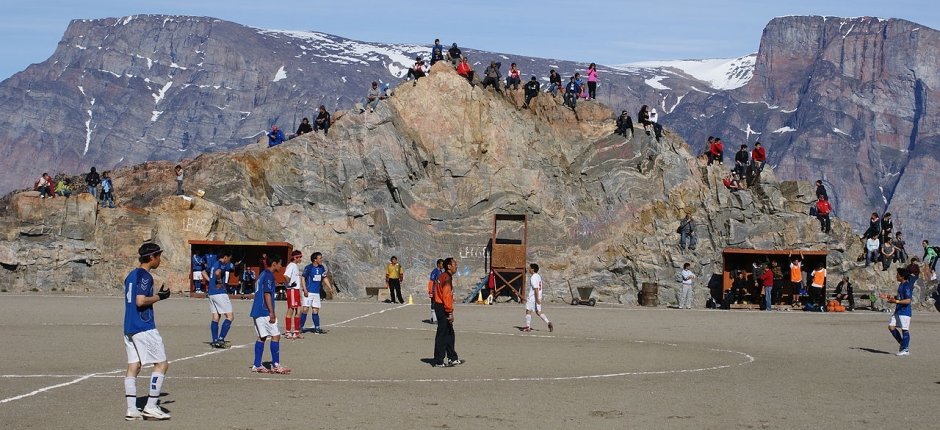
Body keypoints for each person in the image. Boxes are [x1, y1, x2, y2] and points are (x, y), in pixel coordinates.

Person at [122, 243, 172, 420]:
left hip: (129, 326)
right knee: (161, 364)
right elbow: (140, 301)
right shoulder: (145, 276)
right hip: (143, 326)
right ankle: (151, 406)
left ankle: (131, 409)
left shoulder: (131, 275)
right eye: (159, 256)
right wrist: (160, 297)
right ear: (152, 257)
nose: (160, 260)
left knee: (134, 366)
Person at [250, 254, 290, 373]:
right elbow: (266, 294)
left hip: (257, 310)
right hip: (264, 311)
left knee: (262, 337)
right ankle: (275, 365)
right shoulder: (268, 275)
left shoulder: (262, 274)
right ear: (274, 264)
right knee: (276, 335)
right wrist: (271, 311)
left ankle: (257, 365)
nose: (281, 266)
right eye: (280, 263)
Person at [432, 257, 461, 367]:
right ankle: (438, 360)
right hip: (442, 307)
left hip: (440, 305)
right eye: (454, 264)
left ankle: (452, 357)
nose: (456, 266)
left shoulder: (443, 276)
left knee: (449, 332)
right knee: (442, 333)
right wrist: (449, 312)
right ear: (449, 266)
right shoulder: (446, 278)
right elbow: (446, 296)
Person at [881, 267, 913, 356]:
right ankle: (903, 344)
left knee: (904, 330)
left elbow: (908, 300)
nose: (896, 276)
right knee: (891, 327)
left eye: (898, 275)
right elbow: (899, 297)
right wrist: (888, 296)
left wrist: (896, 301)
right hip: (898, 310)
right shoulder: (901, 285)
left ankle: (906, 349)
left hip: (905, 312)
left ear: (902, 276)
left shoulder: (907, 286)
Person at [300, 252, 334, 334]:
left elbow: (324, 278)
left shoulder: (322, 267)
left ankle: (317, 327)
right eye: (320, 258)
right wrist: (304, 289)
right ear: (315, 260)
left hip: (316, 293)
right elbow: (303, 278)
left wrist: (330, 287)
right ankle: (300, 327)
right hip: (308, 292)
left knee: (315, 310)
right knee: (305, 309)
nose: (321, 259)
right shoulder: (309, 268)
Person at [207, 248, 234, 348]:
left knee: (216, 317)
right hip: (219, 293)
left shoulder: (214, 264)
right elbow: (217, 273)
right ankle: (221, 339)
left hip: (211, 293)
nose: (229, 261)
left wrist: (211, 282)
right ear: (225, 257)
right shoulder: (221, 264)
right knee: (230, 316)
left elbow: (203, 272)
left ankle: (215, 340)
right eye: (229, 259)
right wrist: (219, 282)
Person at [522, 263, 553, 332]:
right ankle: (548, 322)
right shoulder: (538, 276)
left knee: (528, 310)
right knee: (538, 311)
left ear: (532, 269)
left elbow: (535, 288)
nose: (529, 269)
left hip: (533, 297)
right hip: (539, 295)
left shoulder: (533, 277)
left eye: (529, 268)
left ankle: (528, 326)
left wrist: (536, 298)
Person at [283, 250, 303, 339]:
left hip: (296, 290)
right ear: (295, 258)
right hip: (292, 290)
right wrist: (290, 284)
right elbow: (285, 276)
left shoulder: (295, 266)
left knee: (299, 310)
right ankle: (287, 332)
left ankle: (296, 332)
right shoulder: (291, 266)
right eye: (299, 257)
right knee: (291, 310)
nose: (301, 259)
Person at [426, 259, 444, 323]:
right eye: (442, 264)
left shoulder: (441, 271)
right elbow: (431, 282)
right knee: (433, 304)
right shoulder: (434, 272)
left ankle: (436, 317)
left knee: (439, 304)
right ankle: (434, 319)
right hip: (434, 291)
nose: (443, 265)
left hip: (439, 291)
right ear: (438, 264)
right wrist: (431, 291)